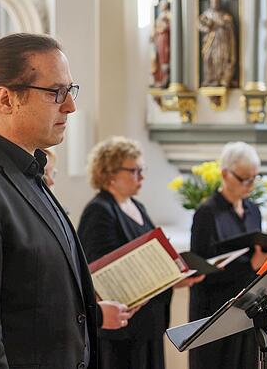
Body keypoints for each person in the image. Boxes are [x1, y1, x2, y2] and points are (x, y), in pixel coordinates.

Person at [0, 33, 132, 369]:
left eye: (70, 90)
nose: (71, 106)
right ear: (6, 99)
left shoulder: (26, 170)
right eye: (56, 93)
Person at [77, 136, 204, 369]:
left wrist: (174, 278)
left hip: (148, 323)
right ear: (111, 173)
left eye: (141, 169)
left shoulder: (137, 206)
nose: (141, 176)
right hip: (122, 328)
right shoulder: (100, 211)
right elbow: (99, 272)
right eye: (134, 170)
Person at [189, 141, 267, 369]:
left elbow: (256, 257)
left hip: (246, 308)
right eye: (244, 179)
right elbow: (201, 271)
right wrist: (250, 264)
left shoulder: (253, 210)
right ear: (224, 174)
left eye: (254, 178)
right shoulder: (207, 212)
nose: (250, 185)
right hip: (214, 312)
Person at [199, 0, 237, 88]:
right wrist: (207, 27)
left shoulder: (224, 15)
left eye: (217, 2)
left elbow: (229, 27)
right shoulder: (206, 14)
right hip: (209, 41)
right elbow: (200, 25)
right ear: (210, 3)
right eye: (213, 2)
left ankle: (219, 79)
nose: (215, 4)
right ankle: (210, 78)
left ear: (219, 3)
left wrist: (221, 24)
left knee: (219, 58)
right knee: (208, 58)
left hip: (221, 41)